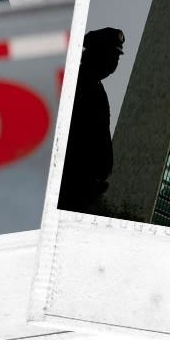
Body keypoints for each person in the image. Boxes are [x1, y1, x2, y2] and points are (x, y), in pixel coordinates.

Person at [59, 27, 124, 213]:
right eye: (113, 55)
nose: (115, 62)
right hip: (71, 185)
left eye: (118, 57)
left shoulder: (97, 89)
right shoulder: (76, 82)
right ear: (96, 52)